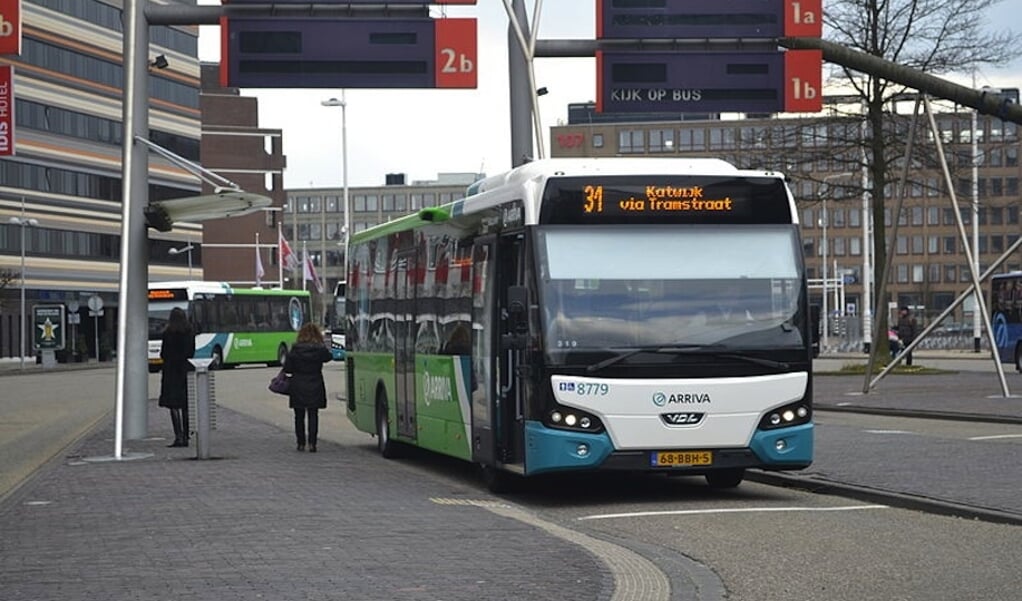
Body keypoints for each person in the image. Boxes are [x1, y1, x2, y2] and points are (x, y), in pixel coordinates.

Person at [283, 322, 333, 452]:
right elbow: (329, 357)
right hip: (315, 382)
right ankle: (312, 443)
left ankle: (300, 443)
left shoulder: (295, 349)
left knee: (298, 415)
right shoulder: (320, 349)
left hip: (298, 384)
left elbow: (287, 368)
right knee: (313, 414)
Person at [159, 307, 195, 447]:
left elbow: (163, 354)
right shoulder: (190, 332)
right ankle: (186, 435)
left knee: (174, 405)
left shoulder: (168, 333)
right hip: (185, 370)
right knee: (186, 404)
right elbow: (191, 352)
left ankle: (178, 436)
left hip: (171, 371)